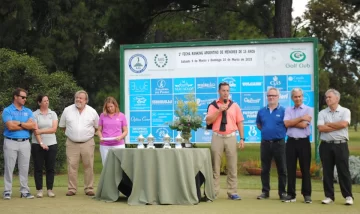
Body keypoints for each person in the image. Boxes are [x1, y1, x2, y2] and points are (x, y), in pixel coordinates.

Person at [206, 82, 245, 200]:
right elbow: (208, 121)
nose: (225, 93)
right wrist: (218, 111)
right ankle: (214, 192)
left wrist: (242, 138)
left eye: (227, 91)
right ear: (219, 92)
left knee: (232, 166)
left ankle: (232, 192)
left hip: (231, 137)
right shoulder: (213, 105)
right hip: (217, 136)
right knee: (215, 166)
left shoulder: (235, 106)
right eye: (223, 90)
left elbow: (240, 122)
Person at [59, 90, 99, 196]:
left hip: (88, 142)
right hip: (72, 143)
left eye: (81, 98)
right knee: (72, 165)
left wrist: (86, 135)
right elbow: (62, 126)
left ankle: (89, 188)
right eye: (77, 97)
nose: (78, 99)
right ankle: (72, 188)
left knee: (89, 165)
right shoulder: (67, 110)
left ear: (86, 100)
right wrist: (73, 134)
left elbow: (97, 127)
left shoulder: (92, 111)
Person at [318, 89, 354, 205]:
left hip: (340, 145)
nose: (327, 99)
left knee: (343, 171)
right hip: (325, 145)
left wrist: (328, 124)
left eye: (330, 97)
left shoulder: (345, 111)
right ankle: (329, 196)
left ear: (337, 98)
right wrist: (336, 126)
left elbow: (344, 124)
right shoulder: (322, 113)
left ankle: (348, 196)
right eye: (326, 97)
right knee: (327, 171)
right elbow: (321, 128)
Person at [2, 88, 36, 199]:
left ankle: (24, 191)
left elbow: (33, 126)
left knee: (24, 167)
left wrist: (20, 123)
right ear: (16, 97)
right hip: (11, 142)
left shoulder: (28, 111)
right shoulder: (7, 110)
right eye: (22, 97)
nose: (25, 99)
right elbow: (10, 127)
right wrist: (26, 124)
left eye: (25, 97)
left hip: (25, 142)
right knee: (9, 167)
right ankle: (7, 191)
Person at [256, 87, 287, 200]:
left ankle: (282, 192)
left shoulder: (283, 111)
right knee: (265, 169)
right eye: (269, 95)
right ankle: (265, 191)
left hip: (279, 143)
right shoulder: (261, 111)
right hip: (265, 143)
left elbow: (286, 125)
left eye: (273, 95)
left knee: (282, 169)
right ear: (267, 97)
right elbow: (259, 125)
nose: (271, 97)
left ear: (278, 97)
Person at [282, 88, 313, 203]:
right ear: (292, 98)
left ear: (302, 97)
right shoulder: (288, 110)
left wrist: (293, 122)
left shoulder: (308, 110)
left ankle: (307, 194)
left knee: (305, 169)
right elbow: (286, 123)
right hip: (291, 142)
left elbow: (304, 125)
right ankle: (291, 194)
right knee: (290, 169)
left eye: (299, 96)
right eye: (295, 97)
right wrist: (300, 118)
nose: (298, 98)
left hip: (303, 142)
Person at [31, 95, 58, 198]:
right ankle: (39, 190)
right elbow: (35, 131)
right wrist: (41, 143)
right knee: (38, 168)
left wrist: (41, 131)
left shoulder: (53, 114)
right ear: (39, 103)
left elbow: (54, 129)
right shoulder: (34, 114)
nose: (47, 102)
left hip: (52, 143)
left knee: (50, 168)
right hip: (37, 145)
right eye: (44, 101)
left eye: (47, 100)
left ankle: (50, 189)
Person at [97, 97, 128, 165]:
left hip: (118, 144)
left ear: (115, 105)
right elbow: (99, 130)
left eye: (111, 106)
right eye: (108, 107)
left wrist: (120, 137)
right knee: (106, 164)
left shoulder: (121, 115)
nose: (110, 108)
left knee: (120, 164)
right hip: (105, 144)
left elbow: (125, 131)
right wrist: (100, 137)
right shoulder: (102, 115)